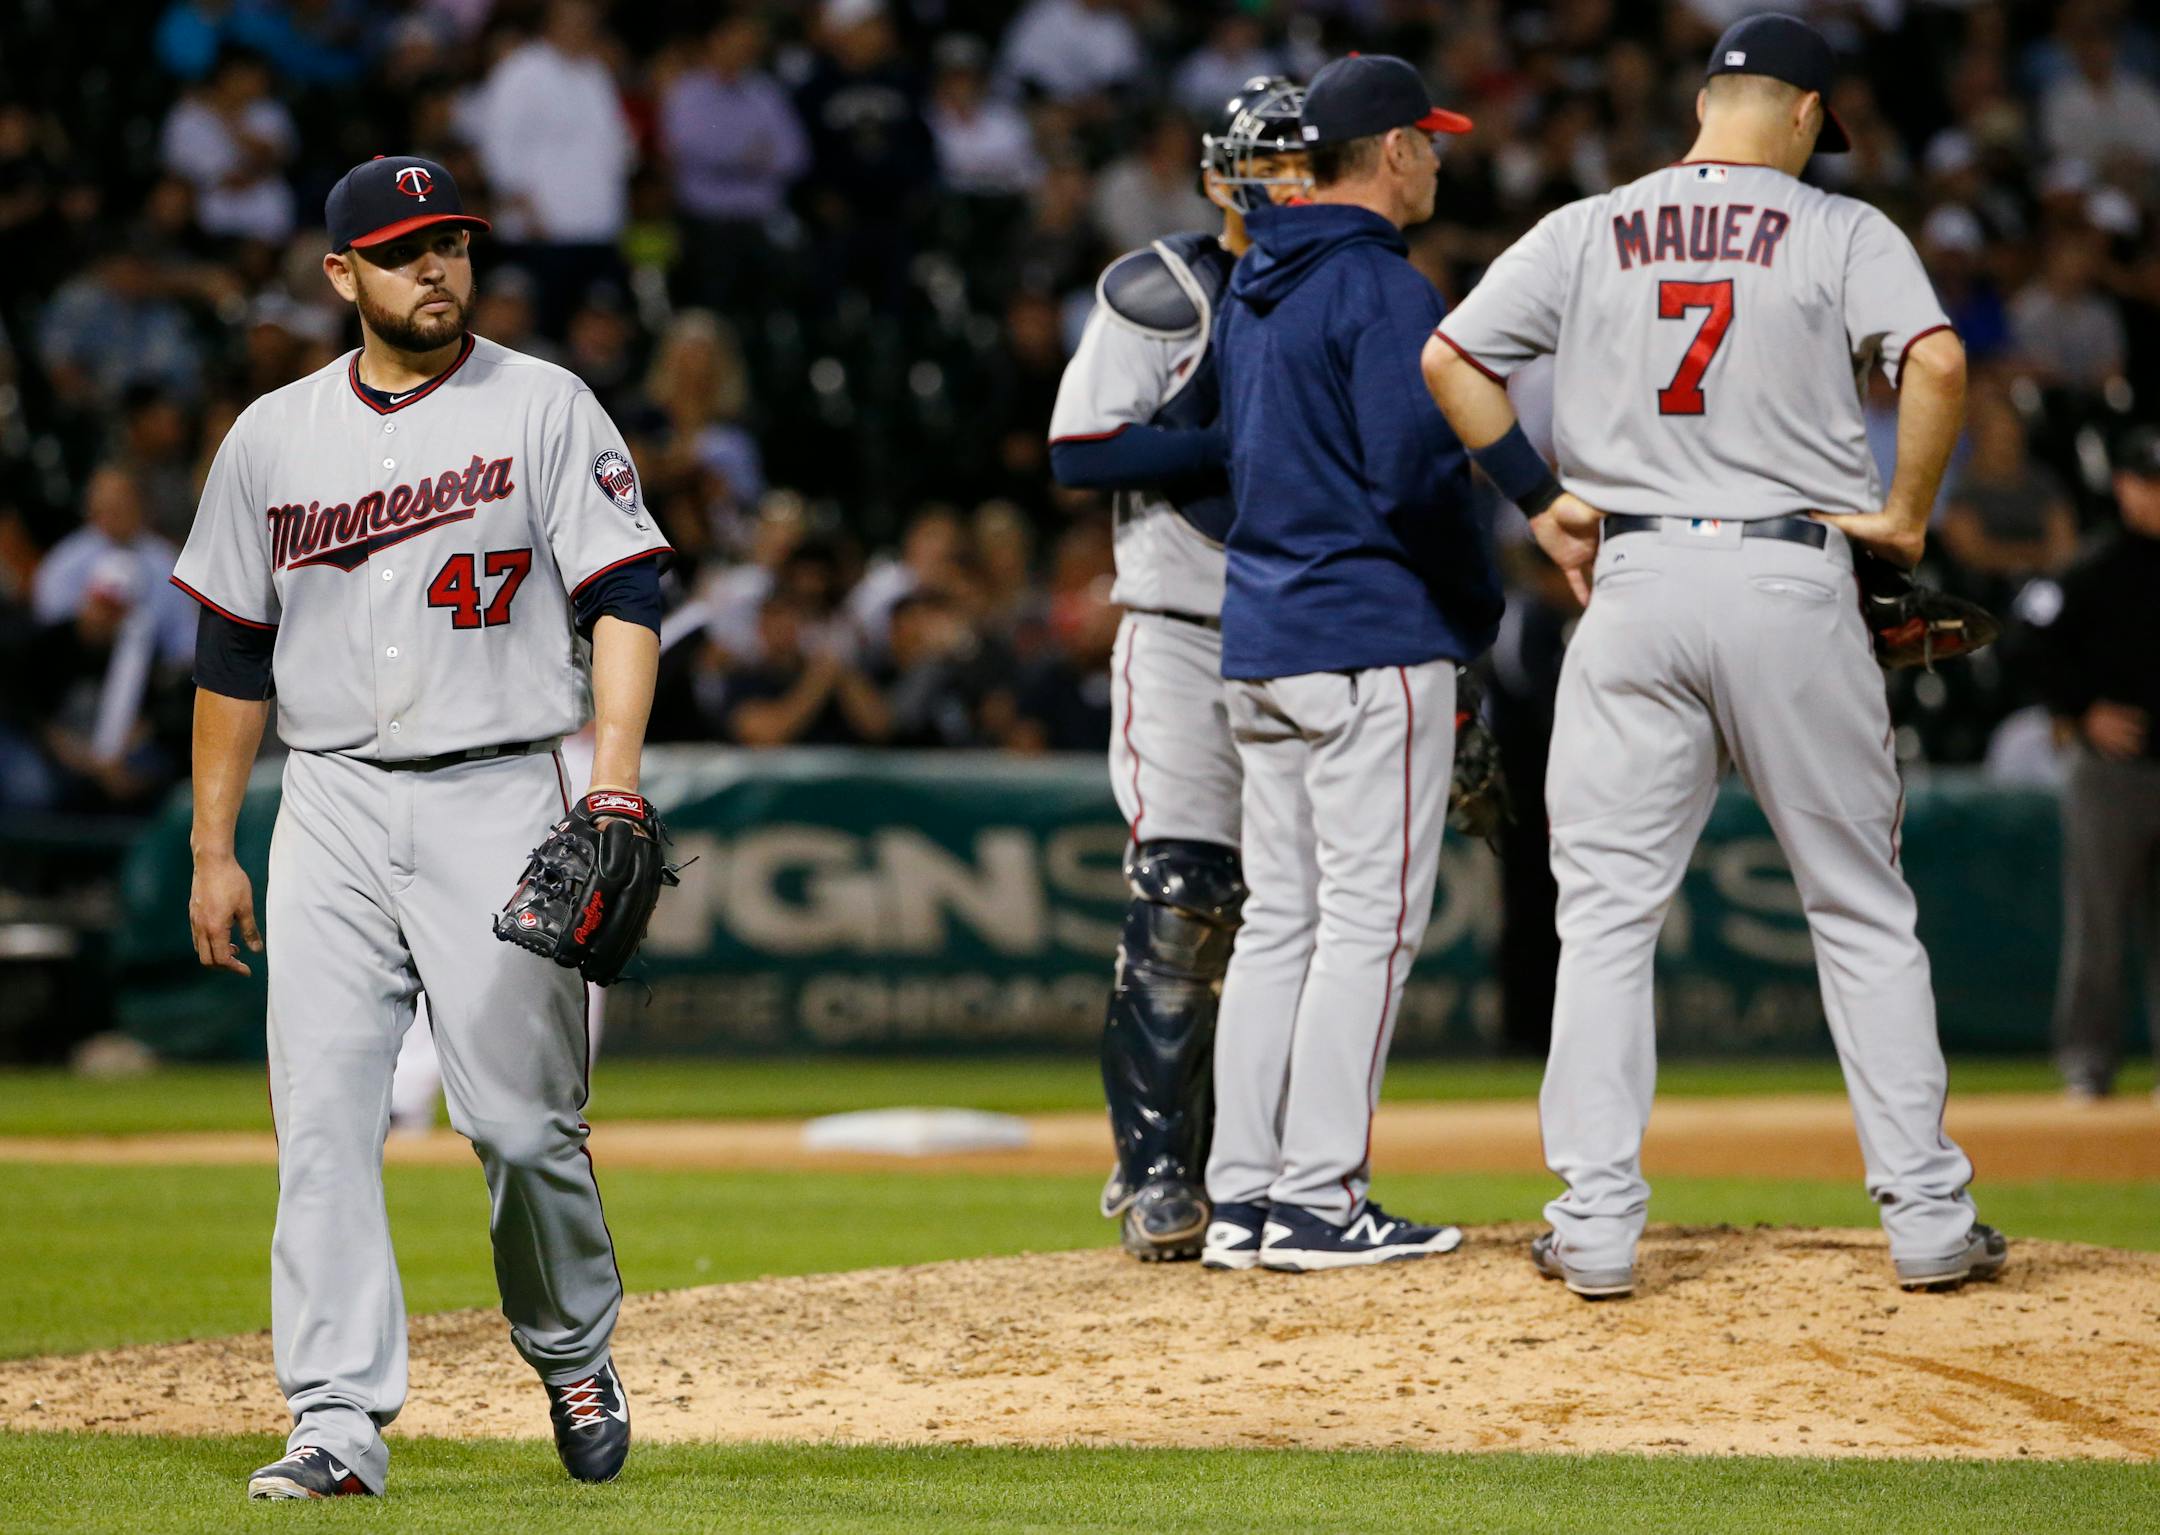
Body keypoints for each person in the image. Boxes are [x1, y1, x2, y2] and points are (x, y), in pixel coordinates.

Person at [1423, 13, 2002, 1299]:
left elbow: (1450, 357)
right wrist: (1904, 518)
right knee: (1858, 907)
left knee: (1606, 921)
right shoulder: (1844, 228)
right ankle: (1925, 1220)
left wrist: (1539, 498)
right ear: (1803, 113)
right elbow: (1941, 360)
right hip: (1793, 577)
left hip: (1630, 580)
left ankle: (1595, 1227)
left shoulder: (1588, 224)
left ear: (1706, 102)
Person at [174, 155, 670, 1498]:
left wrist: (611, 776)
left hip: (501, 786)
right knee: (324, 1119)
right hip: (328, 796)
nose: (436, 265)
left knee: (521, 1125)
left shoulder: (544, 404)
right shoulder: (274, 434)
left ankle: (570, 1344)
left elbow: (628, 596)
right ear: (343, 275)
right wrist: (216, 845)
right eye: (403, 249)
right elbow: (230, 653)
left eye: (450, 240)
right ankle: (336, 1416)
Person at [1205, 54, 1496, 1273]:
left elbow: (1232, 461)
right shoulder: (1384, 287)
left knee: (1281, 923)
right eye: (1426, 140)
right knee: (1365, 928)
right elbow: (1416, 476)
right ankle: (1320, 1198)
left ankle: (1242, 1196)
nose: (1437, 156)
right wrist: (1471, 609)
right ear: (1385, 152)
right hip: (1369, 635)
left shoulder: (1251, 280)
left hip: (1261, 638)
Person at [1046, 76, 1306, 1261]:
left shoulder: (1353, 290)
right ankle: (1158, 1167)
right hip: (1185, 619)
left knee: (1305, 917)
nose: (1282, 185)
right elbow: (1079, 447)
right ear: (1216, 176)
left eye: (1305, 163)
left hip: (1320, 632)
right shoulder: (1167, 287)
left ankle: (1291, 1167)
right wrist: (1232, 438)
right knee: (1186, 895)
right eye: (1264, 164)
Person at [2031, 426, 2160, 1102]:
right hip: (2111, 774)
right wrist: (2079, 711)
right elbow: (2027, 635)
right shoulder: (2091, 568)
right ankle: (2087, 1063)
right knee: (2099, 925)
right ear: (2125, 487)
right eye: (2151, 481)